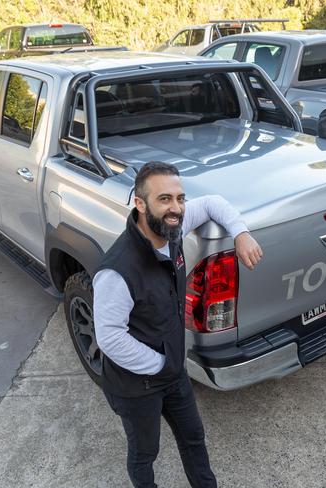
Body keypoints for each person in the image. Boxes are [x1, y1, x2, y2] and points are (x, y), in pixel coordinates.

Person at [93, 161, 263, 487]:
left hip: (172, 371)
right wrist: (160, 364)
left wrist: (240, 233)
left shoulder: (171, 229)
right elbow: (110, 337)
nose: (176, 208)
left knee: (194, 438)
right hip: (136, 384)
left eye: (180, 198)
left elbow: (213, 202)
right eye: (164, 199)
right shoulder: (117, 270)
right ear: (140, 204)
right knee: (145, 453)